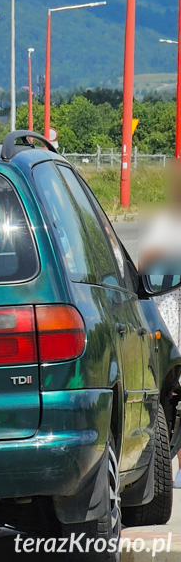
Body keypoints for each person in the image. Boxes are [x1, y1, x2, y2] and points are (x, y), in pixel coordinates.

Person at [138, 165, 181, 487]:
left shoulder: (167, 223)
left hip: (167, 312)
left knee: (171, 391)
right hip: (170, 310)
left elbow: (144, 264)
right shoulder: (168, 223)